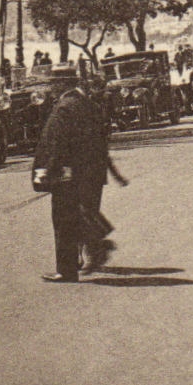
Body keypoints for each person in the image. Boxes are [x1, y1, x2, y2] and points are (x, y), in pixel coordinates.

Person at [35, 77, 124, 282]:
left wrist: (49, 169)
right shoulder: (88, 105)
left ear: (61, 85)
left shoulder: (63, 108)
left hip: (67, 172)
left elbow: (57, 142)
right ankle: (91, 248)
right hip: (88, 170)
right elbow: (100, 140)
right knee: (81, 214)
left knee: (64, 219)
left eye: (54, 84)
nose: (50, 88)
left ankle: (69, 268)